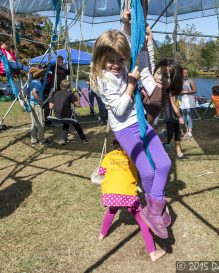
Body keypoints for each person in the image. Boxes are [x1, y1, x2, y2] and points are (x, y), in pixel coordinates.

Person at [90, 29, 172, 239]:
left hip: (141, 122)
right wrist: (131, 84)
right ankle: (155, 209)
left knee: (164, 164)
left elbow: (140, 59)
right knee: (147, 172)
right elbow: (118, 109)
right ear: (100, 59)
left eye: (120, 59)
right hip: (124, 129)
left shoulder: (125, 66)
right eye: (110, 60)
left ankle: (153, 209)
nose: (117, 64)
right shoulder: (104, 79)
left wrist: (133, 31)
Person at [98, 139, 166, 262]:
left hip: (110, 193)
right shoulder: (134, 157)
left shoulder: (108, 156)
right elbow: (144, 172)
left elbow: (101, 172)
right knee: (142, 220)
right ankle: (153, 253)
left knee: (112, 210)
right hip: (127, 193)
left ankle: (101, 235)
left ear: (114, 146)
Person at [49, 80, 88, 145]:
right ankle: (84, 139)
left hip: (57, 115)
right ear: (68, 87)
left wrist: (58, 106)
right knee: (76, 124)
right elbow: (78, 105)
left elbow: (50, 107)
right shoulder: (70, 94)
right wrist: (77, 96)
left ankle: (63, 139)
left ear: (60, 86)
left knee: (66, 122)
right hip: (67, 115)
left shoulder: (54, 93)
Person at [163, 64, 188, 161]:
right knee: (169, 136)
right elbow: (173, 103)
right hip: (170, 114)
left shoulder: (175, 85)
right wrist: (180, 116)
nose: (183, 75)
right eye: (182, 74)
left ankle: (179, 154)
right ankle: (162, 154)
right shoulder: (171, 86)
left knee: (177, 134)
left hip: (175, 112)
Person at [43, 55, 70, 126]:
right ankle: (46, 121)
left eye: (62, 61)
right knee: (49, 105)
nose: (61, 63)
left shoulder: (63, 69)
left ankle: (59, 119)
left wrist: (69, 61)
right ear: (57, 61)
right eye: (60, 61)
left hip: (60, 90)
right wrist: (48, 60)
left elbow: (69, 72)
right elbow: (45, 68)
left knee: (60, 104)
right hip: (53, 88)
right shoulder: (53, 67)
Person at [28, 67, 51, 147]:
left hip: (31, 103)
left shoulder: (31, 82)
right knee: (40, 123)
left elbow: (28, 92)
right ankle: (42, 140)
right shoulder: (38, 83)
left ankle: (33, 139)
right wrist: (40, 100)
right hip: (36, 104)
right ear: (40, 75)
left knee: (34, 122)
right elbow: (34, 92)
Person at [179, 67, 197, 140]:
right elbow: (179, 92)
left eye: (187, 73)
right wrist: (181, 92)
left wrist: (186, 92)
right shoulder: (180, 81)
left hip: (190, 101)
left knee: (189, 117)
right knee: (184, 117)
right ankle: (187, 131)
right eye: (184, 73)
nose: (186, 74)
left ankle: (190, 133)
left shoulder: (190, 81)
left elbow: (195, 90)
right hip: (183, 102)